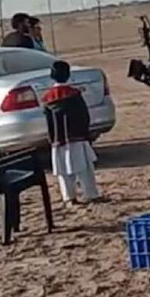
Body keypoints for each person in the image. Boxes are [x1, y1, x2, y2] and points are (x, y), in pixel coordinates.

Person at [43, 61, 101, 206]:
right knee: (85, 168)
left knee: (63, 171)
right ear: (68, 75)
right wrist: (86, 133)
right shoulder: (74, 94)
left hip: (58, 139)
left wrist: (52, 138)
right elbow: (84, 115)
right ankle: (91, 194)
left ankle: (69, 197)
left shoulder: (47, 97)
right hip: (77, 137)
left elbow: (48, 121)